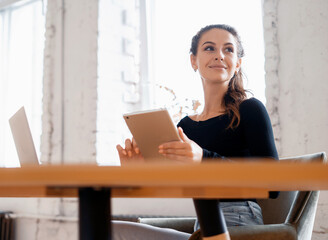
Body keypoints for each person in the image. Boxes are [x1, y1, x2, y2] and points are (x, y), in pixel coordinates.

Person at [114, 24, 278, 240]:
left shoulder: (250, 109)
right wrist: (140, 175)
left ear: (237, 63)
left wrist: (204, 158)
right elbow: (174, 189)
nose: (219, 55)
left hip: (237, 221)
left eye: (228, 49)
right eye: (209, 48)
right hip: (200, 224)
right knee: (113, 229)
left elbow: (273, 184)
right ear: (193, 60)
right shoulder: (185, 127)